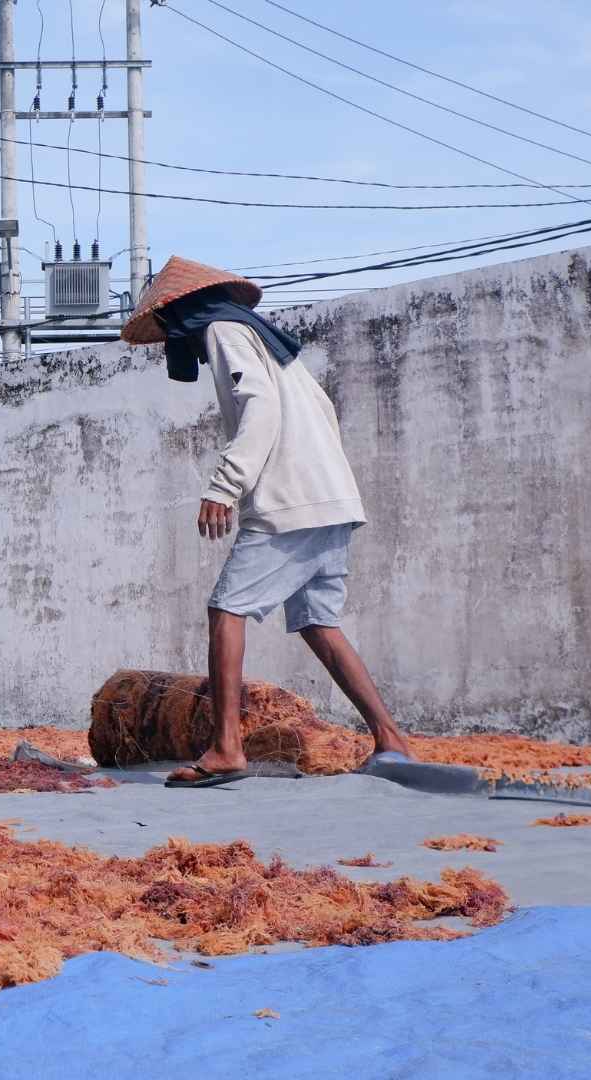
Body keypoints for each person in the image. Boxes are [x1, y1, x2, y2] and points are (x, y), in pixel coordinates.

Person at [119, 256, 413, 788]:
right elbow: (319, 414)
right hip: (331, 503)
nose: (169, 341)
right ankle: (391, 740)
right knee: (318, 624)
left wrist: (224, 486)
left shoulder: (222, 330)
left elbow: (260, 410)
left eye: (165, 329)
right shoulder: (274, 348)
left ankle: (227, 748)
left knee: (226, 610)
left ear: (180, 314)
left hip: (289, 505)